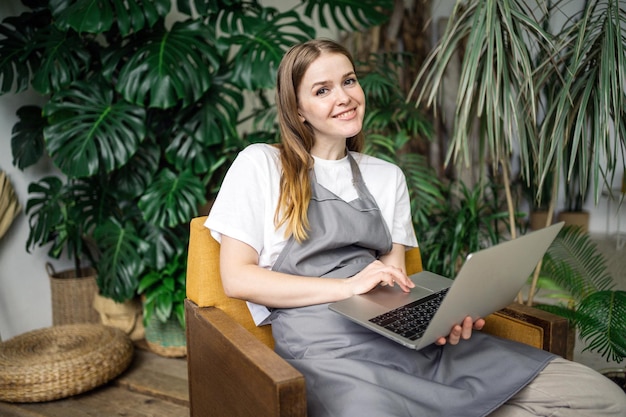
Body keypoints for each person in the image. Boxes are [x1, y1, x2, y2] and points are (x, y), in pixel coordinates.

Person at [205, 38, 626, 417]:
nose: (345, 97)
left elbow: (394, 282)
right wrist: (347, 287)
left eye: (349, 81)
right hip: (326, 350)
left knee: (605, 400)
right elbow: (237, 277)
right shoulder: (262, 164)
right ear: (298, 110)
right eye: (322, 90)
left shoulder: (386, 177)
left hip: (395, 333)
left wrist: (441, 318)